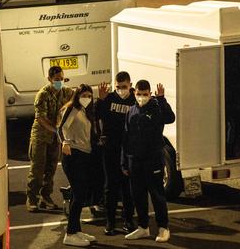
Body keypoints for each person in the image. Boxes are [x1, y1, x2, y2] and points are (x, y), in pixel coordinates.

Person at [122, 80, 175, 243]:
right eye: (139, 94)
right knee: (138, 196)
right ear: (134, 92)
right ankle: (143, 227)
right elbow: (126, 138)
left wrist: (162, 99)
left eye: (145, 94)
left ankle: (163, 228)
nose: (142, 97)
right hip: (134, 161)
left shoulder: (156, 108)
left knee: (157, 195)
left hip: (152, 160)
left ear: (150, 94)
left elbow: (170, 118)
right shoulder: (131, 111)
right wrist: (124, 162)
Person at [26, 65, 74, 212]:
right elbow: (41, 118)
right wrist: (56, 130)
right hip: (41, 135)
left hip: (55, 136)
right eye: (57, 79)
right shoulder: (43, 94)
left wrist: (65, 107)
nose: (60, 82)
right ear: (49, 79)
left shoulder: (65, 92)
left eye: (62, 79)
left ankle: (45, 196)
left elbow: (74, 98)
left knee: (51, 168)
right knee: (37, 168)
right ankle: (32, 198)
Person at [58, 84, 99, 247]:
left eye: (90, 96)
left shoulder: (86, 112)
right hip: (73, 156)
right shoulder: (72, 109)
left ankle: (76, 230)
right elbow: (60, 129)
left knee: (80, 194)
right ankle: (70, 233)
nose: (87, 98)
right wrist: (65, 143)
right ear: (77, 96)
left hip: (84, 155)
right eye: (84, 95)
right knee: (79, 194)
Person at [96, 71, 136, 235]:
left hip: (128, 150)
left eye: (124, 87)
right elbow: (98, 116)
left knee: (128, 187)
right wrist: (101, 99)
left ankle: (128, 220)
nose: (121, 90)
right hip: (111, 149)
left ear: (130, 85)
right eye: (118, 87)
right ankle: (110, 222)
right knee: (110, 187)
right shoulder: (109, 98)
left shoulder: (135, 100)